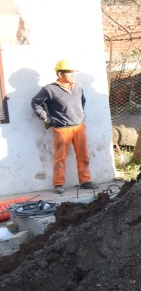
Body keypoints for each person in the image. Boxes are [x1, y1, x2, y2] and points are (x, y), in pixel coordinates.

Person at [31, 59, 97, 195]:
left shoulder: (78, 87)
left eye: (74, 73)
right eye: (70, 73)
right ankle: (59, 184)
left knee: (83, 155)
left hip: (79, 127)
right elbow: (36, 102)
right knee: (60, 158)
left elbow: (82, 102)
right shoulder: (49, 89)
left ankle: (85, 181)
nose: (73, 76)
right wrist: (45, 118)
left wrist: (78, 116)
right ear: (60, 74)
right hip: (62, 129)